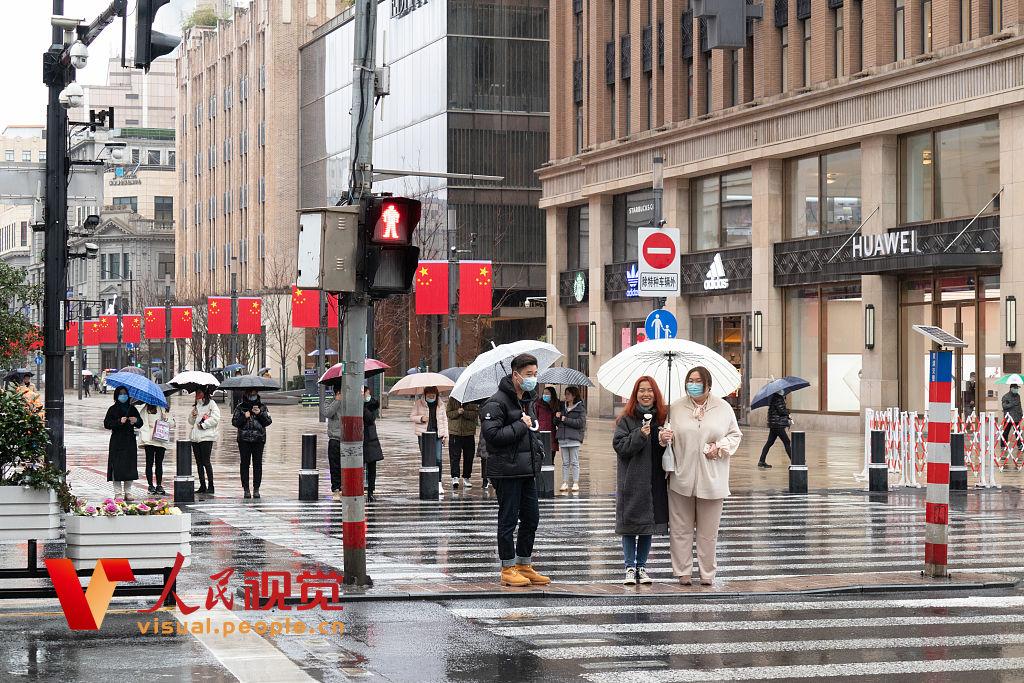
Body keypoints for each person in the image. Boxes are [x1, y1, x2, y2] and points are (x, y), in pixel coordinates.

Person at [668, 366, 742, 586]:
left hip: (713, 479)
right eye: (690, 380)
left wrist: (719, 446)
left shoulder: (723, 408)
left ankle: (707, 573)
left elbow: (735, 435)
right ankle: (683, 571)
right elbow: (666, 436)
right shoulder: (676, 407)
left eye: (698, 380)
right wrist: (665, 436)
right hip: (681, 477)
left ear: (708, 383)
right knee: (680, 530)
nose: (693, 383)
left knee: (708, 532)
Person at [480, 353, 550, 588]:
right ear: (515, 374)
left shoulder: (527, 401)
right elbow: (492, 437)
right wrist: (521, 425)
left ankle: (523, 563)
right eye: (529, 374)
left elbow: (530, 433)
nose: (533, 378)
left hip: (527, 469)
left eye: (535, 374)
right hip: (506, 470)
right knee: (508, 519)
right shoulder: (496, 402)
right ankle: (507, 567)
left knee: (532, 518)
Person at [613, 376, 672, 585]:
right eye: (641, 390)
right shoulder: (626, 420)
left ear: (655, 395)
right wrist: (640, 435)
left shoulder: (663, 419)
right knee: (630, 525)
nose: (646, 394)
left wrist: (664, 440)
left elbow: (662, 452)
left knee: (648, 525)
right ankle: (629, 566)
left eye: (650, 390)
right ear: (635, 394)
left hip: (654, 479)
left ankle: (642, 566)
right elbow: (620, 447)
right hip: (632, 480)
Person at [232, 389, 272, 499]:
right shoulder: (240, 407)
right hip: (244, 439)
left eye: (254, 394)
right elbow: (235, 422)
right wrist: (244, 416)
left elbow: (268, 421)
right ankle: (246, 489)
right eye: (250, 394)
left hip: (258, 439)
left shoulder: (263, 407)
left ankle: (256, 489)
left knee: (257, 464)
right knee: (244, 464)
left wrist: (259, 414)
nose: (252, 396)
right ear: (246, 394)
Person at [103, 387, 142, 500]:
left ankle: (128, 492)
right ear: (116, 395)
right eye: (121, 394)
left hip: (129, 441)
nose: (123, 396)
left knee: (129, 467)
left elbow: (140, 423)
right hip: (117, 441)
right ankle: (118, 493)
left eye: (125, 394)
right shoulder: (112, 409)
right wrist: (119, 421)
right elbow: (107, 423)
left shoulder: (132, 409)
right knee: (117, 467)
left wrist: (136, 420)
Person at [411, 386, 449, 498]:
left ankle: (438, 482)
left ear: (437, 395)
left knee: (438, 458)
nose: (431, 398)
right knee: (426, 459)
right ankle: (427, 482)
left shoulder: (441, 405)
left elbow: (444, 420)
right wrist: (421, 418)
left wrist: (446, 435)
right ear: (425, 395)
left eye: (433, 396)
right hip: (424, 435)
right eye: (429, 396)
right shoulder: (419, 403)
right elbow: (412, 416)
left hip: (437, 435)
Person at [188, 387, 221, 495]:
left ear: (204, 393)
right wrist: (192, 416)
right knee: (199, 463)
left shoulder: (211, 404)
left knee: (206, 461)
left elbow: (216, 418)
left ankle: (211, 485)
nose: (197, 394)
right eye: (196, 392)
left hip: (206, 436)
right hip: (195, 437)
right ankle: (202, 485)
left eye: (199, 392)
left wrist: (204, 425)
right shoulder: (197, 405)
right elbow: (191, 422)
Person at [554, 385, 587, 493]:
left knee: (574, 462)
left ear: (573, 395)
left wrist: (565, 419)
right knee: (565, 462)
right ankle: (565, 482)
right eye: (565, 394)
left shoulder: (580, 408)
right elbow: (555, 423)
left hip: (574, 439)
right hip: (563, 438)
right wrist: (557, 417)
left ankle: (575, 483)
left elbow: (580, 423)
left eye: (568, 394)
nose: (566, 396)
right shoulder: (562, 407)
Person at [139, 402, 175, 495]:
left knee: (159, 463)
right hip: (150, 440)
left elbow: (172, 424)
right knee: (149, 462)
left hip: (161, 439)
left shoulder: (164, 409)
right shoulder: (146, 409)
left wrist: (166, 419)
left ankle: (159, 484)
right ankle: (150, 485)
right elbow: (143, 424)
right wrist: (145, 438)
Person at [446, 395, 479, 491]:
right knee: (454, 456)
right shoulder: (452, 399)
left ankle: (466, 477)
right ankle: (455, 477)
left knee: (469, 456)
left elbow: (475, 414)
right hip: (455, 432)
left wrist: (464, 412)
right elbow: (448, 413)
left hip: (469, 432)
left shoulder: (473, 400)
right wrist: (457, 412)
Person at [758, 390, 793, 469]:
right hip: (778, 424)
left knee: (769, 442)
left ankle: (761, 461)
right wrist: (788, 413)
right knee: (787, 441)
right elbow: (781, 411)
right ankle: (794, 461)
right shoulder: (778, 398)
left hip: (774, 424)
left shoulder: (774, 398)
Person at [323, 386, 345, 501]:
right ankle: (336, 489)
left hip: (348, 440)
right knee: (335, 465)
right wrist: (337, 401)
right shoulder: (330, 401)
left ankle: (345, 487)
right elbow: (327, 413)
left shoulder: (350, 401)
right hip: (335, 438)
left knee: (346, 466)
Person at [363, 386, 384, 502]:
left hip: (370, 439)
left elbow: (370, 418)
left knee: (372, 468)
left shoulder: (371, 404)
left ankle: (371, 491)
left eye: (368, 393)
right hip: (360, 439)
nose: (368, 395)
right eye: (366, 393)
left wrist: (364, 405)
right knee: (360, 468)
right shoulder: (356, 405)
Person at [534, 386, 561, 469]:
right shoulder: (538, 404)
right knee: (540, 458)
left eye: (547, 393)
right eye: (544, 393)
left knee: (550, 459)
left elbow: (557, 423)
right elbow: (535, 418)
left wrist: (557, 416)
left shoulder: (557, 405)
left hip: (552, 435)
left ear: (552, 395)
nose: (545, 395)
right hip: (540, 433)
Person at [1001, 383, 1022, 453]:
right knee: (1005, 432)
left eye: (1017, 388)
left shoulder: (1018, 396)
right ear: (1011, 388)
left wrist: (1021, 414)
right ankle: (1003, 445)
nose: (1017, 389)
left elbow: (1019, 405)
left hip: (1017, 417)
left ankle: (1020, 445)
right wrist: (1012, 404)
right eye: (1015, 388)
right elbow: (1004, 406)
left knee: (1018, 432)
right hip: (1009, 418)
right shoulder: (1005, 396)